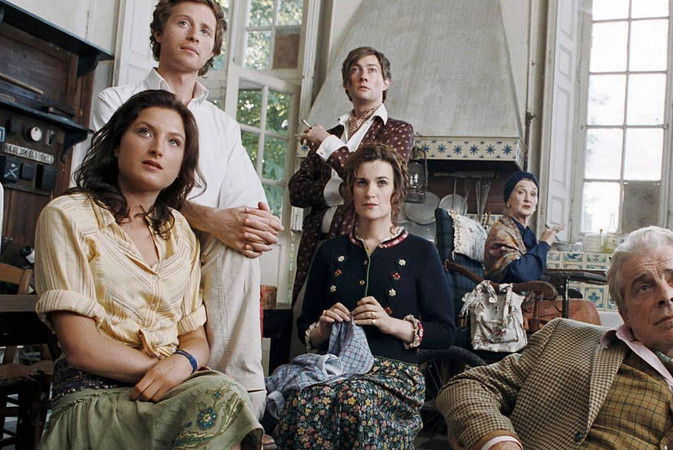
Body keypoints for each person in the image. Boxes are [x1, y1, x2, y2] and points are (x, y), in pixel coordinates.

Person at [73, 0, 284, 415]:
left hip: (197, 250)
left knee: (239, 249)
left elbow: (248, 207)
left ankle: (240, 400)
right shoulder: (119, 100)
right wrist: (211, 219)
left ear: (213, 49)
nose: (194, 36)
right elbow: (108, 184)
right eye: (183, 23)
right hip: (131, 237)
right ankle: (230, 400)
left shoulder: (223, 126)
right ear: (158, 32)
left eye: (205, 31)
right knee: (225, 239)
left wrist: (255, 224)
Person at [35, 90, 262, 449]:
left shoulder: (180, 232)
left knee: (224, 398)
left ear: (182, 164)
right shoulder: (68, 216)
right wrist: (170, 372)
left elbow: (194, 337)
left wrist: (183, 364)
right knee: (218, 398)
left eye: (174, 142)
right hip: (94, 397)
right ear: (116, 144)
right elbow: (80, 346)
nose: (158, 149)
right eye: (144, 132)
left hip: (172, 392)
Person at [438, 226, 673, 449]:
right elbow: (468, 385)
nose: (666, 295)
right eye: (644, 286)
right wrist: (498, 441)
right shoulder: (563, 340)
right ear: (624, 312)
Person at [274, 143, 455, 448]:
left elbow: (446, 332)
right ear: (351, 191)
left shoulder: (422, 252)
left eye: (381, 183)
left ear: (395, 191)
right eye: (362, 182)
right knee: (304, 400)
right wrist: (322, 329)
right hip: (333, 370)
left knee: (354, 399)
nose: (371, 192)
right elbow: (305, 325)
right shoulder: (329, 251)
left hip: (394, 376)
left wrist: (391, 324)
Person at [289, 46, 414, 305]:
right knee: (306, 318)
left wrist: (327, 145)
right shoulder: (333, 132)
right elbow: (296, 190)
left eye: (372, 70)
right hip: (315, 245)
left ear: (386, 82)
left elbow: (379, 179)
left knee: (355, 316)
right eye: (355, 70)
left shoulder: (397, 131)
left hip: (366, 247)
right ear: (347, 84)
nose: (363, 76)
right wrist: (338, 190)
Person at [484, 171, 565, 283]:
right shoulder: (500, 232)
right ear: (508, 201)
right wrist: (544, 243)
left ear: (535, 205)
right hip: (504, 293)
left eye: (533, 194)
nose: (528, 199)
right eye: (521, 192)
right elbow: (521, 274)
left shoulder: (527, 234)